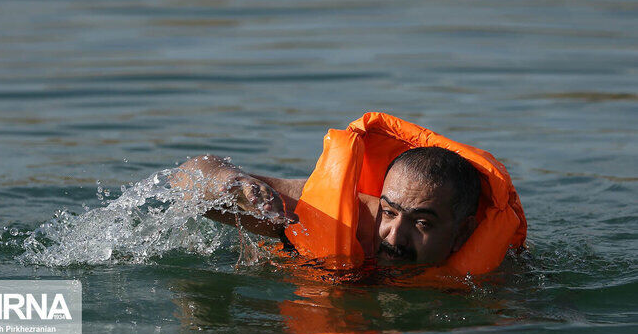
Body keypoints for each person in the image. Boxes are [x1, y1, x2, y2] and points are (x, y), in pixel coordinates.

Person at [172, 112, 526, 275]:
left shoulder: (496, 272)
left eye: (421, 222)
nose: (393, 236)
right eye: (389, 212)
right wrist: (230, 182)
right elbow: (187, 178)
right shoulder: (341, 218)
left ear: (462, 232)